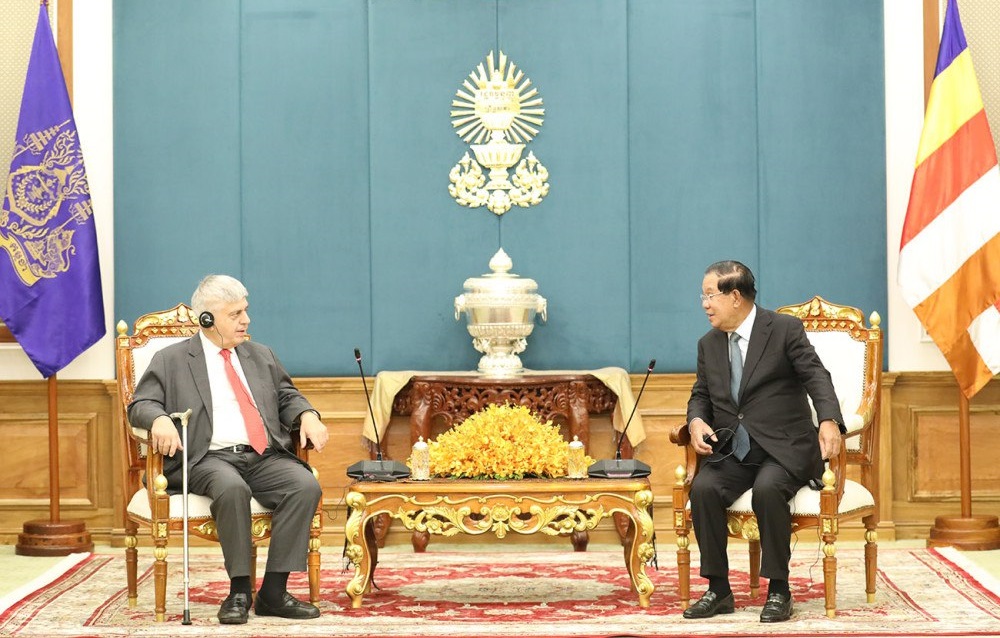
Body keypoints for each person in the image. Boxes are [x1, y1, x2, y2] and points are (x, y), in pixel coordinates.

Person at [128, 274, 329, 624]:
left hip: (261, 455)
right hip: (206, 458)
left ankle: (274, 592)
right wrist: (158, 419)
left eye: (245, 310)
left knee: (304, 485)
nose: (246, 320)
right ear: (207, 319)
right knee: (232, 488)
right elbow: (140, 404)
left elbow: (286, 396)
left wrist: (307, 415)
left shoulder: (260, 355)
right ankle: (238, 591)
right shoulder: (171, 359)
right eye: (235, 314)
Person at [682, 260, 844, 623]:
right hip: (735, 449)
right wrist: (695, 421)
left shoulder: (783, 329)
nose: (705, 304)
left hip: (783, 447)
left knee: (768, 490)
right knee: (704, 488)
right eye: (702, 296)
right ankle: (718, 589)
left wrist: (829, 419)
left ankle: (779, 590)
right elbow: (701, 394)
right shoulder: (708, 344)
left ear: (735, 296)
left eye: (710, 295)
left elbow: (816, 375)